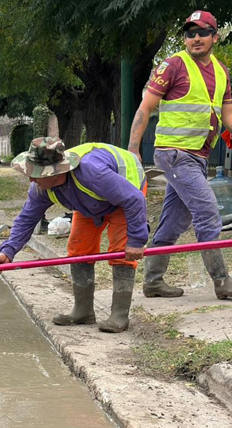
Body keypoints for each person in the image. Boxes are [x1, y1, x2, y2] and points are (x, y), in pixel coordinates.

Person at [0, 137, 148, 333]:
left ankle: (119, 315)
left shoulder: (91, 173)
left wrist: (137, 240)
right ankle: (83, 311)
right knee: (79, 249)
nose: (31, 179)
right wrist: (8, 251)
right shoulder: (40, 188)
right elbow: (27, 218)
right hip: (88, 202)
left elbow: (134, 199)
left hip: (126, 198)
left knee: (121, 252)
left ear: (55, 172)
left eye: (36, 174)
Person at [128, 10, 232, 300]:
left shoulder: (222, 72)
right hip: (174, 154)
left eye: (202, 32)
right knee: (208, 213)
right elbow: (145, 107)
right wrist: (133, 149)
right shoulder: (173, 65)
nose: (195, 38)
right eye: (190, 33)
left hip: (198, 158)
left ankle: (153, 281)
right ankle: (223, 281)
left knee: (173, 221)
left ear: (215, 37)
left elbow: (227, 115)